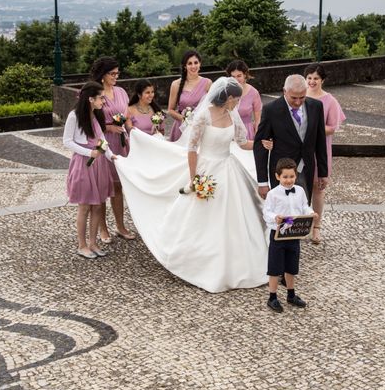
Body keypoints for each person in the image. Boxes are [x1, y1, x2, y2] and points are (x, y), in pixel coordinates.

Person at [115, 77, 268, 293]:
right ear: (228, 97)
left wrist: (262, 144)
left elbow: (242, 143)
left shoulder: (232, 115)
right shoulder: (204, 115)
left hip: (229, 167)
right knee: (201, 216)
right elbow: (192, 148)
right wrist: (195, 177)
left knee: (237, 215)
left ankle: (239, 260)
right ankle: (195, 259)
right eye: (236, 100)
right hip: (207, 168)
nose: (238, 104)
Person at [253, 74, 329, 205]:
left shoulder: (316, 106)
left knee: (303, 209)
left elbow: (320, 141)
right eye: (294, 97)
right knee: (282, 212)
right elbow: (260, 146)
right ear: (284, 91)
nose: (298, 102)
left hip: (306, 168)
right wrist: (262, 182)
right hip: (281, 172)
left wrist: (323, 172)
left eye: (302, 97)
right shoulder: (271, 110)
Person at [63, 81, 117, 259]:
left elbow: (102, 140)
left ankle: (93, 243)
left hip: (98, 164)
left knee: (97, 205)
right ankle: (82, 245)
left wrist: (111, 156)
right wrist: (89, 152)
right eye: (101, 97)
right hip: (83, 164)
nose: (104, 100)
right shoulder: (74, 116)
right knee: (85, 206)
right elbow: (67, 141)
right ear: (91, 99)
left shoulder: (96, 115)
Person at [89, 57, 136, 243]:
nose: (116, 76)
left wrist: (127, 127)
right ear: (103, 75)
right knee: (102, 187)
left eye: (118, 73)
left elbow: (127, 113)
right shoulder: (94, 93)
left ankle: (120, 225)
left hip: (121, 142)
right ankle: (102, 229)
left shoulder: (122, 91)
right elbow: (90, 121)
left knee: (118, 186)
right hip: (103, 142)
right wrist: (109, 127)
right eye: (113, 73)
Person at [263, 158, 317, 312]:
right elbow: (266, 212)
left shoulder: (299, 191)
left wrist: (311, 213)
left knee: (292, 266)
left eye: (291, 177)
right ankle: (272, 297)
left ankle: (291, 294)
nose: (288, 180)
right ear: (277, 176)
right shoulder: (273, 194)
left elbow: (304, 207)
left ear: (295, 175)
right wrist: (276, 217)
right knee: (274, 267)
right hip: (278, 234)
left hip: (294, 234)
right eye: (285, 177)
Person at [304, 63, 346, 244]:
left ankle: (316, 227)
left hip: (319, 148)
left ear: (322, 80)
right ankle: (297, 225)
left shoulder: (329, 101)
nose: (312, 82)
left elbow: (333, 126)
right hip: (299, 148)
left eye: (316, 78)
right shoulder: (299, 96)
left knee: (318, 188)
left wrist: (313, 130)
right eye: (309, 78)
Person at [167, 50, 212, 141]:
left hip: (200, 129)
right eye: (189, 63)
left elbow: (212, 107)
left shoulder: (207, 83)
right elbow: (170, 110)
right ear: (185, 66)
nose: (193, 66)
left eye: (196, 63)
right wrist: (185, 120)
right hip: (181, 128)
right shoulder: (176, 84)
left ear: (200, 64)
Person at [225, 60, 262, 140]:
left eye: (239, 76)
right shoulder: (225, 92)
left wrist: (258, 135)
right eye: (233, 77)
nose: (236, 79)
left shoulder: (254, 93)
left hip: (247, 132)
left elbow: (258, 119)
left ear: (245, 75)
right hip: (228, 132)